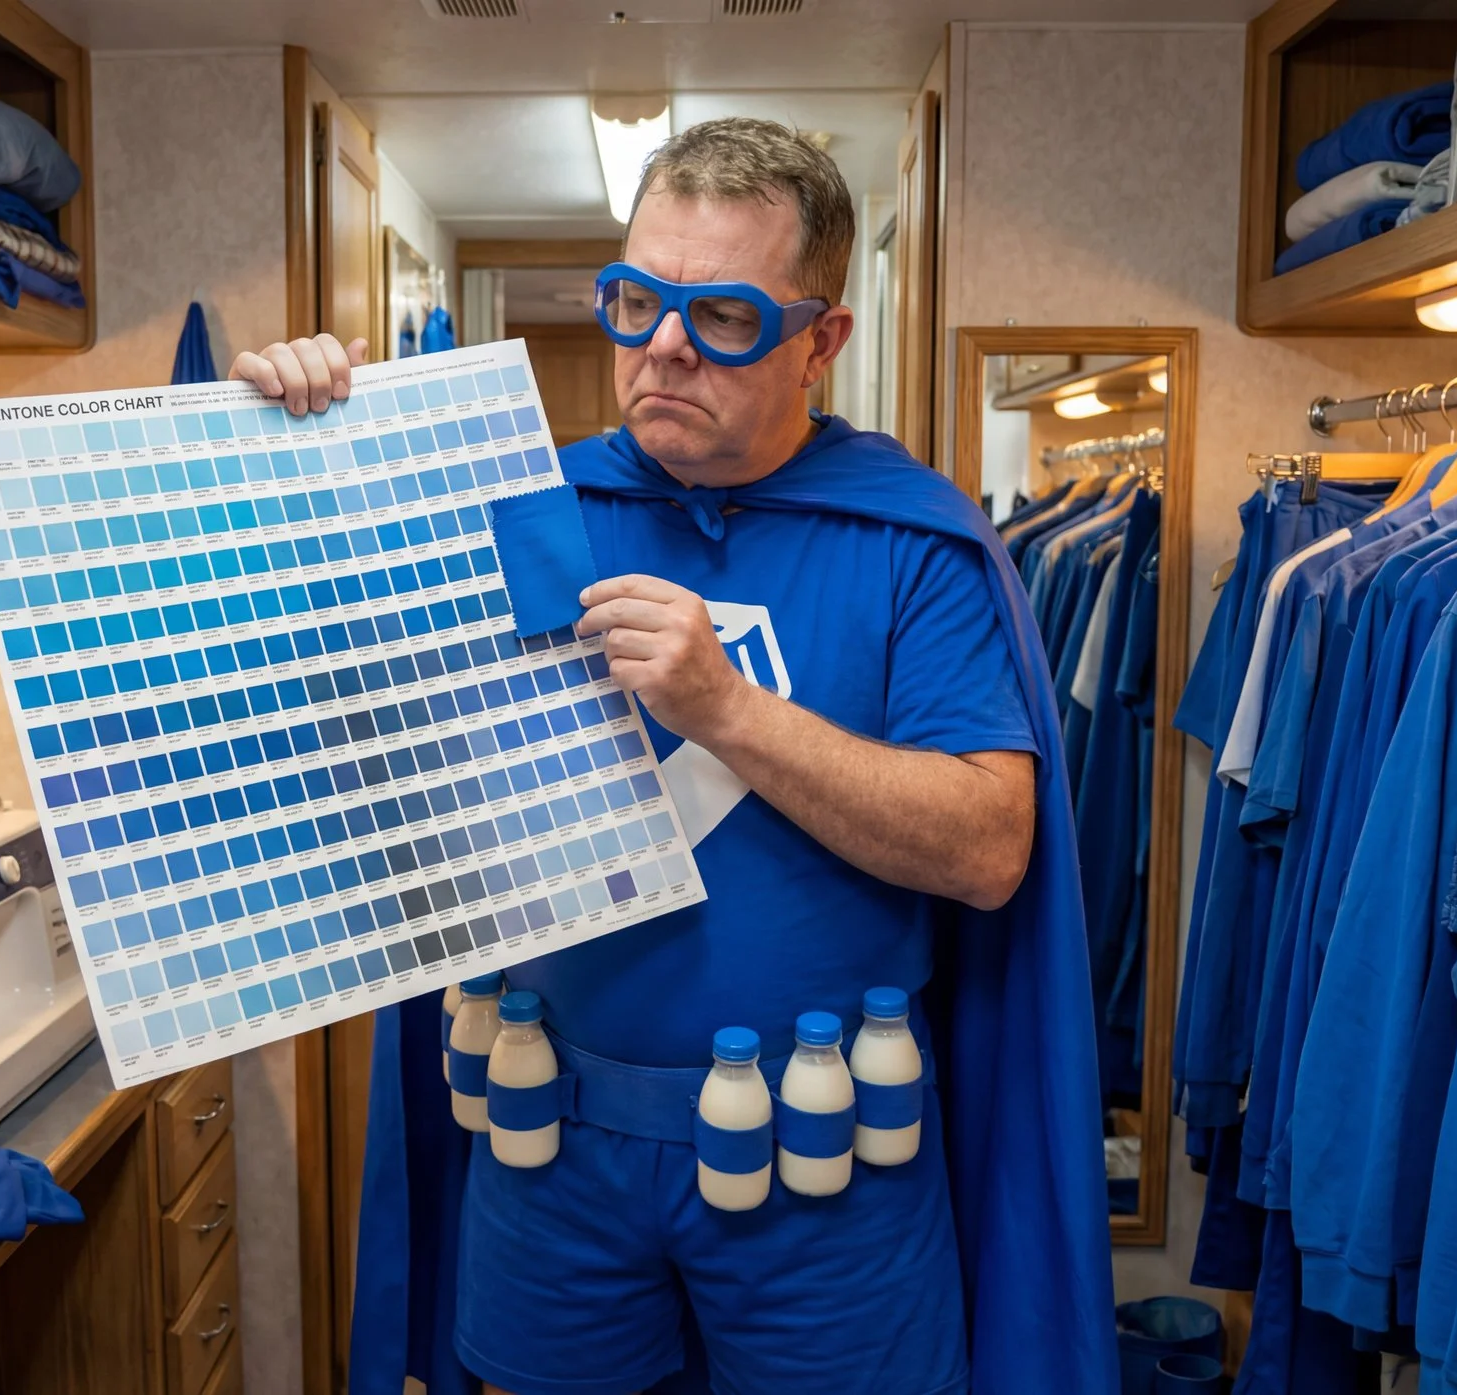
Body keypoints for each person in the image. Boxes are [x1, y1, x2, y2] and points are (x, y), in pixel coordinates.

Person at [232, 118, 1112, 1395]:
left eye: (724, 317)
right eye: (637, 299)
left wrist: (731, 710)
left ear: (821, 341)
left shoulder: (912, 541)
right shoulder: (526, 503)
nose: (661, 348)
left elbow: (988, 850)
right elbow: (307, 711)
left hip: (829, 1176)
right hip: (548, 1152)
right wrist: (288, 446)